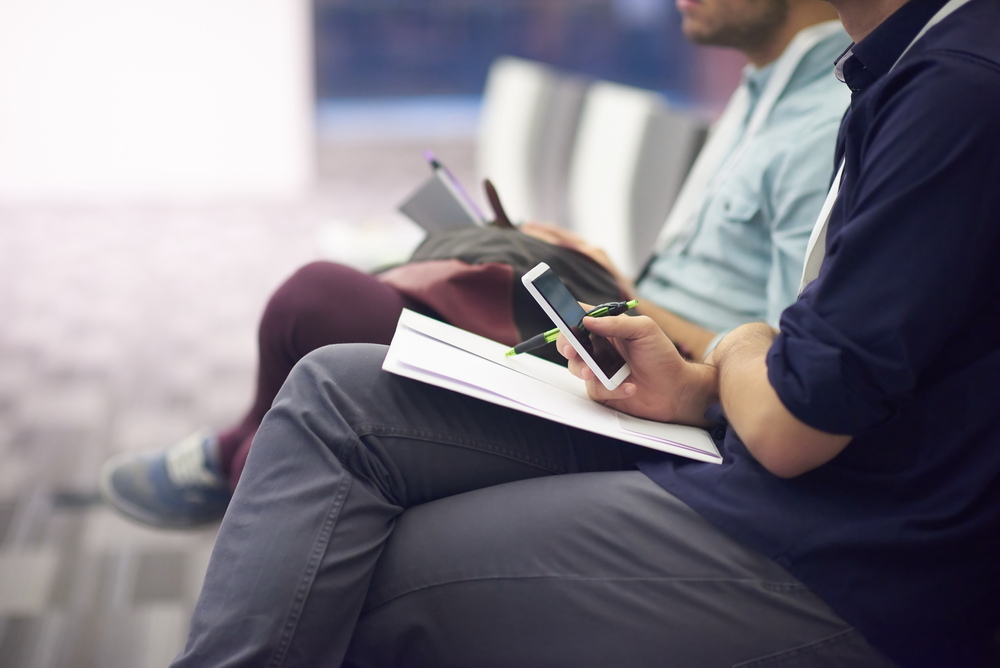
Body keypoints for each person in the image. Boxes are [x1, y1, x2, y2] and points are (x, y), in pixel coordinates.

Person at [170, 0, 1000, 666]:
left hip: (850, 547)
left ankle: (226, 467)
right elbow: (828, 363)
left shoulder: (951, 88)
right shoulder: (892, 70)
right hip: (771, 453)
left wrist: (730, 348)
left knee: (362, 563)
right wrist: (707, 382)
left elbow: (795, 414)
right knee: (331, 390)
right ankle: (232, 461)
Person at [100, 0, 852, 529]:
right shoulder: (761, 90)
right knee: (349, 310)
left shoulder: (821, 117)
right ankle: (240, 469)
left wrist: (633, 303)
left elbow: (782, 350)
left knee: (316, 302)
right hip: (621, 336)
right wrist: (618, 283)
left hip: (655, 389)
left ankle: (233, 465)